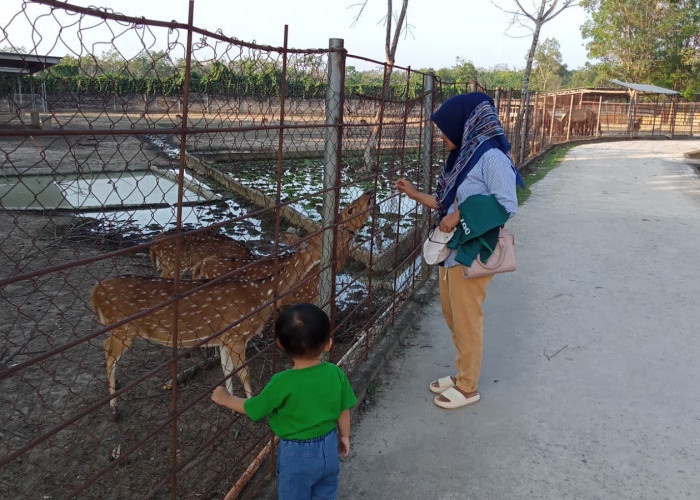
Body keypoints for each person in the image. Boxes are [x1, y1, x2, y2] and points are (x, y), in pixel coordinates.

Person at [395, 91, 523, 410]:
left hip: (472, 251)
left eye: (445, 128)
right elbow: (444, 204)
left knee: (467, 319)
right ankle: (461, 372)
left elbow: (507, 204)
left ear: (464, 125)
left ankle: (468, 386)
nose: (442, 136)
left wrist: (459, 215)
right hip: (451, 251)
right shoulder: (465, 157)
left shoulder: (491, 158)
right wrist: (412, 193)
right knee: (453, 316)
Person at [211, 302, 357, 500]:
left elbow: (255, 408)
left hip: (296, 455)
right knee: (325, 494)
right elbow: (343, 409)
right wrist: (345, 437)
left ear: (279, 344)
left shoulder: (282, 382)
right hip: (329, 446)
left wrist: (226, 398)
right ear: (328, 344)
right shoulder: (335, 373)